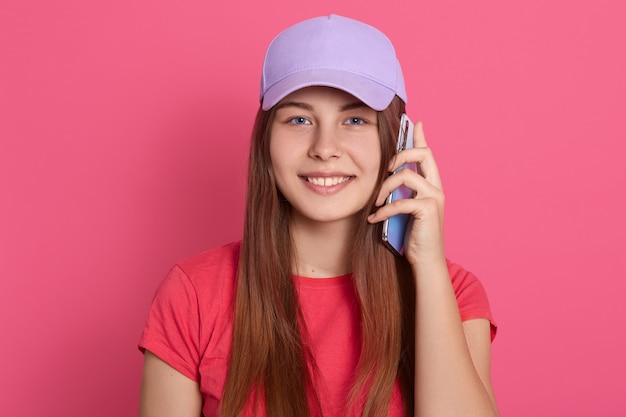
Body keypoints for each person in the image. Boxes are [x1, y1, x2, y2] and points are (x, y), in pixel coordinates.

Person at [138, 14, 498, 417]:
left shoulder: (453, 292)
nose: (325, 148)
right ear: (265, 141)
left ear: (398, 140)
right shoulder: (193, 294)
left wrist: (427, 264)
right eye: (300, 119)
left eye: (355, 119)